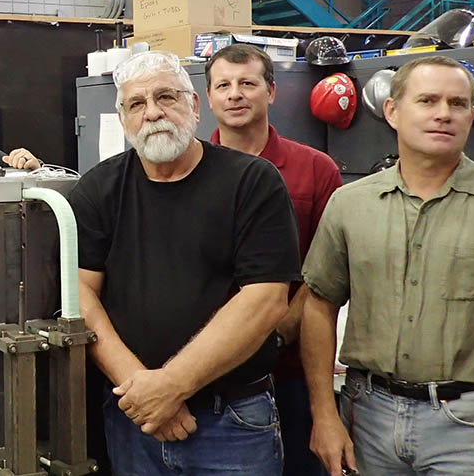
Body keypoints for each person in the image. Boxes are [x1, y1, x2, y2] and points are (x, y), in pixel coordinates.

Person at [69, 51, 301, 475]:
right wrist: (146, 393)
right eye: (136, 104)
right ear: (123, 119)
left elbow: (266, 300)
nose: (153, 112)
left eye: (166, 97)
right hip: (132, 416)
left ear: (194, 106)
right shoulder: (98, 189)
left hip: (231, 422)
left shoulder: (252, 181)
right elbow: (81, 295)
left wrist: (173, 385)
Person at [300, 55, 474, 476]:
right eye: (428, 100)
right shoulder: (350, 203)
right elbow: (317, 307)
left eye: (457, 104)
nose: (443, 114)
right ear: (393, 112)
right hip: (369, 421)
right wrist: (325, 415)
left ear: (472, 114)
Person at [204, 43, 343, 476]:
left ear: (272, 92)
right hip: (207, 376)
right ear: (207, 98)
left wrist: (278, 329)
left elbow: (326, 274)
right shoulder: (187, 170)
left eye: (248, 83)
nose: (235, 94)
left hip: (291, 372)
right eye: (223, 85)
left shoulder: (317, 170)